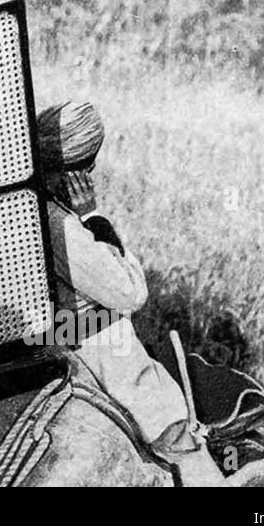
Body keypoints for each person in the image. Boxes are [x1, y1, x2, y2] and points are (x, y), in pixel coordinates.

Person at [38, 100, 224, 486]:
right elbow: (130, 295)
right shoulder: (64, 225)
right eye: (87, 167)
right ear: (80, 171)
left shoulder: (31, 207)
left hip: (46, 341)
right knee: (181, 441)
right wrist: (93, 216)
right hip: (101, 357)